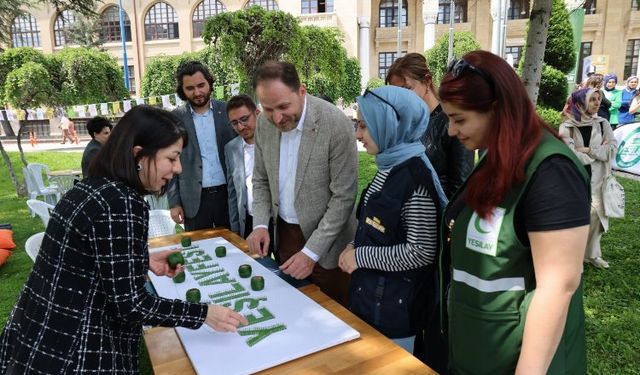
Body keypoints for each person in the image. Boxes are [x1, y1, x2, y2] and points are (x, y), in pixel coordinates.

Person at [0, 105, 247, 374]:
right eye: (172, 158)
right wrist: (204, 314)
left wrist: (141, 260)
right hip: (73, 349)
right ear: (139, 155)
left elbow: (87, 259)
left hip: (36, 331)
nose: (177, 169)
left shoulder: (92, 187)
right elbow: (131, 305)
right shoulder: (123, 204)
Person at [438, 51, 590, 374]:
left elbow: (558, 285)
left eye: (460, 119)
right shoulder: (498, 160)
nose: (451, 131)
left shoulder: (551, 173)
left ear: (497, 110)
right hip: (480, 357)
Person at [338, 86, 447, 354]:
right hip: (373, 303)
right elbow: (376, 225)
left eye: (364, 126)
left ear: (390, 124)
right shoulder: (389, 166)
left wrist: (360, 257)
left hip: (395, 316)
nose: (358, 134)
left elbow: (421, 252)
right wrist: (354, 244)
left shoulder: (415, 179)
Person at [247, 61, 357, 307]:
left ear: (302, 91)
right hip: (285, 236)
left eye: (284, 106)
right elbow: (261, 179)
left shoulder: (335, 123)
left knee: (333, 315)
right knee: (293, 308)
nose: (277, 118)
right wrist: (261, 224)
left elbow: (344, 197)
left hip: (330, 248)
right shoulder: (263, 123)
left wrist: (311, 252)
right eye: (268, 108)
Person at [385, 52, 474, 198]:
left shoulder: (452, 122)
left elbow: (460, 188)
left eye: (407, 89)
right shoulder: (402, 124)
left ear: (427, 81)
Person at [168, 61, 235, 231]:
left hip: (229, 195)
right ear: (182, 91)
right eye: (190, 88)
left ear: (210, 83)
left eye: (201, 85)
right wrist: (174, 202)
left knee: (235, 248)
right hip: (193, 200)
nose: (197, 92)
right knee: (200, 251)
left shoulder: (228, 112)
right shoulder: (174, 119)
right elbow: (170, 162)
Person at [560, 88, 618, 269]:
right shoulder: (567, 126)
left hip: (599, 177)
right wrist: (597, 152)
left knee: (596, 217)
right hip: (575, 178)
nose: (597, 102)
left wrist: (589, 151)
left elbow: (612, 149)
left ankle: (592, 254)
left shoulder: (602, 123)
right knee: (575, 217)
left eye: (598, 99)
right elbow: (570, 154)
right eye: (592, 99)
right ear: (579, 103)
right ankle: (573, 256)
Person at [224, 94, 261, 238]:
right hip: (248, 221)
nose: (240, 126)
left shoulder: (275, 141)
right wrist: (235, 227)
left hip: (276, 221)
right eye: (234, 123)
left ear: (257, 113)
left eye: (244, 119)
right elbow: (233, 192)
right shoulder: (230, 148)